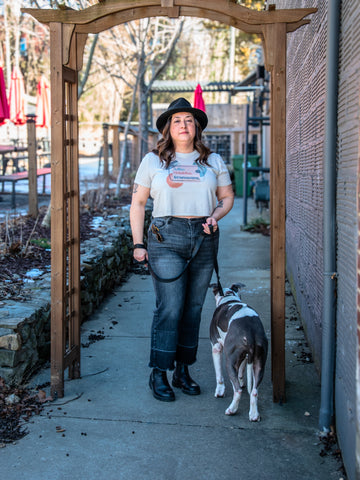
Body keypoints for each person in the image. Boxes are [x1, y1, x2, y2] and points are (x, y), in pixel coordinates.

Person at [130, 97, 234, 402]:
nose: (183, 125)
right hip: (166, 238)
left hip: (203, 237)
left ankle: (183, 371)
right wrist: (138, 244)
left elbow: (226, 198)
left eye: (189, 120)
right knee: (170, 308)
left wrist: (215, 217)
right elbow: (137, 204)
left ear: (197, 127)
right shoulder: (153, 161)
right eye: (177, 120)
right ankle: (159, 372)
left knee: (193, 310)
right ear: (168, 128)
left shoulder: (213, 161)